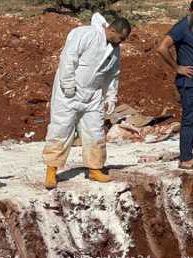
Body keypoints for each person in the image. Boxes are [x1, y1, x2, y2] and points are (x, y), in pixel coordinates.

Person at [43, 13, 131, 190]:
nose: (120, 42)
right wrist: (67, 83)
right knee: (61, 129)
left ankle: (95, 168)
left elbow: (113, 74)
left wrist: (110, 96)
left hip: (93, 95)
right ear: (112, 29)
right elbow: (68, 58)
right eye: (120, 38)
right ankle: (51, 170)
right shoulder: (85, 34)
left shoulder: (114, 49)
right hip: (70, 93)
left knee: (95, 131)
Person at [156, 0, 193, 170]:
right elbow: (162, 47)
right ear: (190, 11)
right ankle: (185, 159)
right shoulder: (183, 26)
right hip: (190, 84)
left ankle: (188, 153)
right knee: (189, 120)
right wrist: (177, 68)